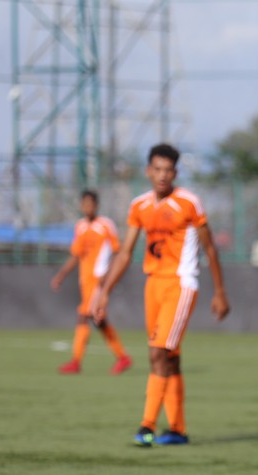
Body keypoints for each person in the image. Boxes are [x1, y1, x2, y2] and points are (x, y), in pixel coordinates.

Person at [92, 143, 230, 447]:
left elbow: (210, 248)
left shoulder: (189, 203)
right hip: (153, 284)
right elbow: (126, 252)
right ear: (148, 171)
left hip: (181, 284)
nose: (162, 175)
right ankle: (178, 430)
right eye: (157, 169)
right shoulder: (139, 205)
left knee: (157, 352)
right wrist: (103, 292)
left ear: (175, 173)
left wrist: (219, 292)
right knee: (169, 356)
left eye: (168, 170)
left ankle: (147, 426)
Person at [51, 189, 133, 375]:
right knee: (99, 321)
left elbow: (117, 251)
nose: (87, 207)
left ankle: (76, 361)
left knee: (84, 316)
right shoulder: (80, 226)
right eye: (84, 204)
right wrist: (61, 275)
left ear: (96, 205)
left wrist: (109, 275)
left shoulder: (105, 225)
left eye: (91, 204)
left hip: (99, 281)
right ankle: (123, 357)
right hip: (85, 282)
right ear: (81, 206)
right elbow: (76, 254)